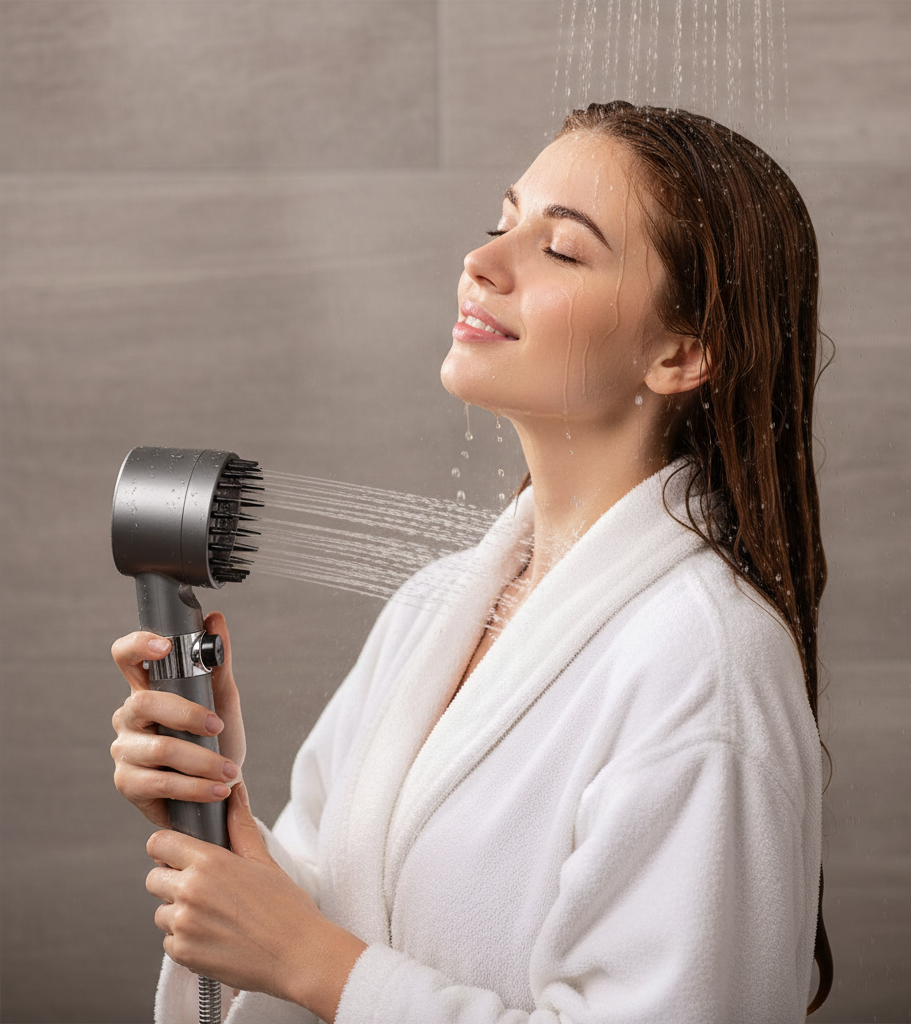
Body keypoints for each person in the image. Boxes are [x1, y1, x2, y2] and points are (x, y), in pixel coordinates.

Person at [111, 101, 832, 1023]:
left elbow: (320, 957)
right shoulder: (439, 606)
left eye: (561, 249)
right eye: (502, 222)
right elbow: (342, 918)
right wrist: (218, 817)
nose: (483, 261)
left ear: (681, 352)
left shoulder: (706, 665)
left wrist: (311, 963)